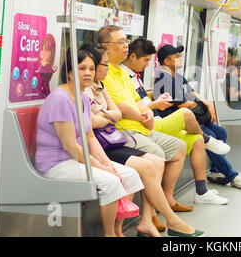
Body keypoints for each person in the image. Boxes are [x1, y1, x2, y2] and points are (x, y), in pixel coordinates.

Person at [98, 26, 229, 210]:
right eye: (121, 42)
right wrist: (150, 111)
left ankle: (199, 192)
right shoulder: (113, 74)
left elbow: (138, 102)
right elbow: (122, 108)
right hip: (137, 126)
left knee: (196, 140)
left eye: (126, 41)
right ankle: (215, 150)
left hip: (149, 120)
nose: (146, 65)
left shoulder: (130, 76)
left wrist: (150, 109)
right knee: (186, 114)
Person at [80, 43, 204, 237]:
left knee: (158, 158)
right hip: (105, 140)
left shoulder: (101, 86)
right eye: (100, 65)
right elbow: (93, 122)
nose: (102, 69)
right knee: (157, 154)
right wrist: (109, 116)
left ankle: (148, 218)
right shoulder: (81, 92)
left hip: (113, 136)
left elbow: (116, 114)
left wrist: (106, 116)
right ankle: (168, 220)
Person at [35, 48, 144, 237]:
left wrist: (107, 163)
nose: (88, 73)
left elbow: (90, 137)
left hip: (75, 159)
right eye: (81, 68)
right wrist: (101, 168)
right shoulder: (60, 99)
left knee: (130, 176)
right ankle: (108, 234)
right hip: (56, 163)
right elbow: (70, 145)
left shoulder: (83, 97)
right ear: (69, 71)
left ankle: (118, 231)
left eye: (91, 69)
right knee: (110, 182)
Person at [150, 43, 241, 188]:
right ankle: (231, 175)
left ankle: (215, 172)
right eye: (176, 57)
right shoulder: (164, 79)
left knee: (221, 131)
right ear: (166, 61)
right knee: (210, 135)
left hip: (194, 117)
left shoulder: (177, 77)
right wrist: (198, 104)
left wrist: (207, 105)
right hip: (179, 120)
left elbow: (192, 94)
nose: (180, 59)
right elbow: (183, 105)